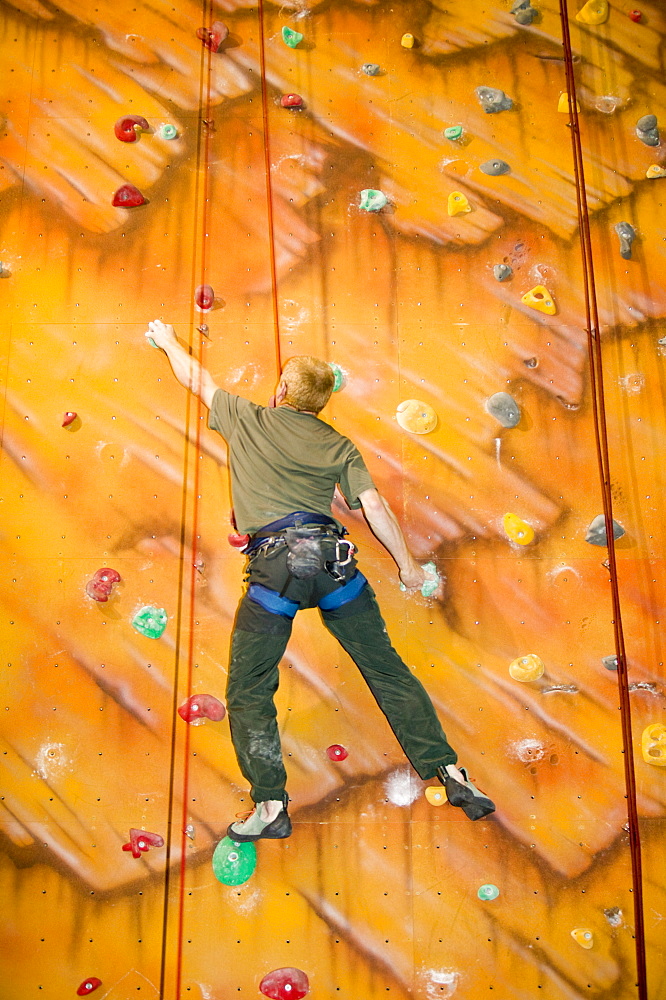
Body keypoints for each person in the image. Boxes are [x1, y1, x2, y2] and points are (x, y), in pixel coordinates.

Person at [145, 319, 495, 837]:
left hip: (277, 572)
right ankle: (447, 770)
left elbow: (197, 380)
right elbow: (372, 506)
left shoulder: (248, 419)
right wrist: (408, 565)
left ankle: (270, 806)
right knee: (387, 670)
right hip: (334, 567)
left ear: (284, 390)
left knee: (249, 690)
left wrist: (169, 341)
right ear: (322, 402)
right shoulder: (339, 445)